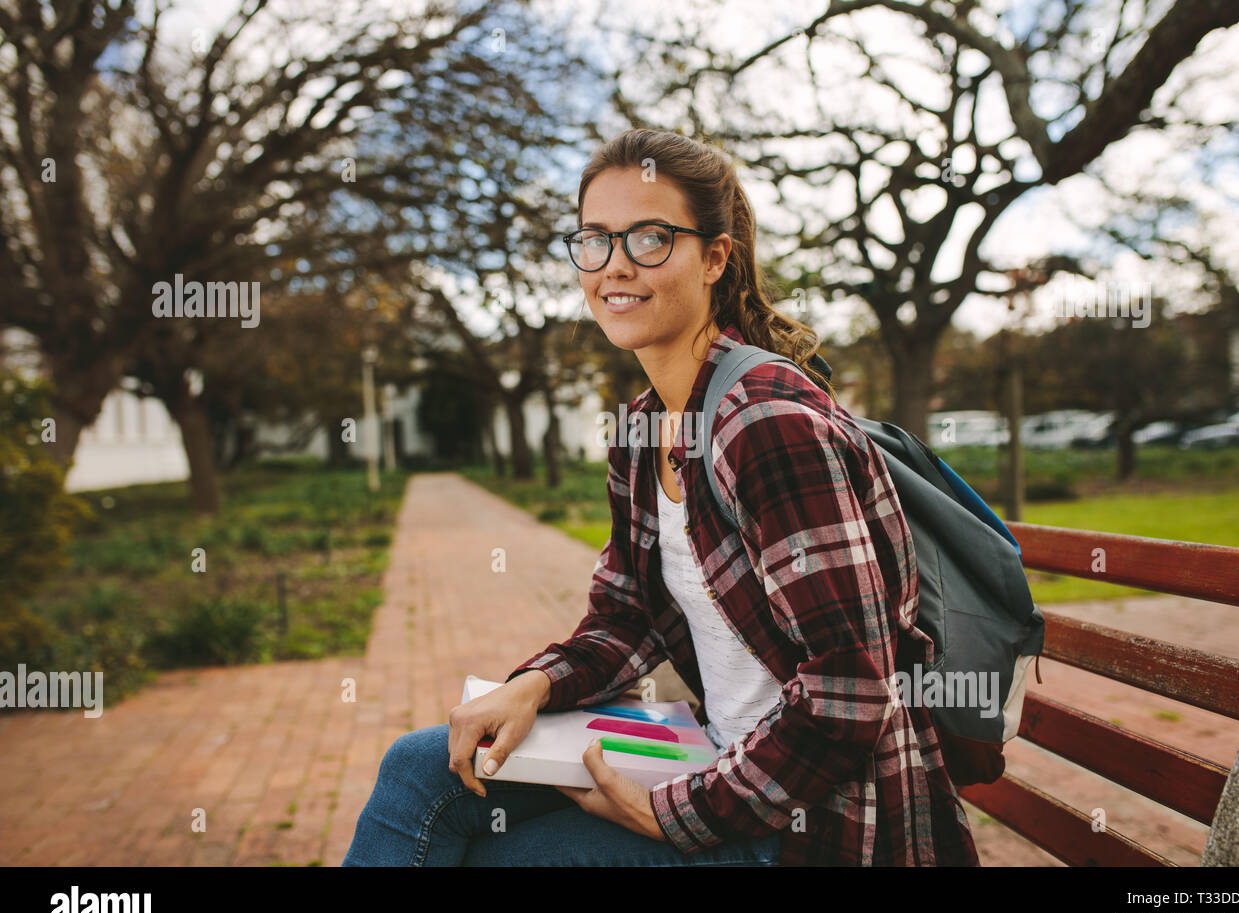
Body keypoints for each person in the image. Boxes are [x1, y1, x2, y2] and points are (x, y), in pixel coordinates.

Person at [342, 128, 979, 867]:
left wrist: (679, 813)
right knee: (419, 770)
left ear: (715, 257)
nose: (615, 266)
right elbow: (629, 614)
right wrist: (536, 685)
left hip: (818, 820)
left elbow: (850, 694)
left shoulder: (765, 424)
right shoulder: (645, 428)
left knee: (504, 859)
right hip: (710, 757)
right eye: (595, 240)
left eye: (649, 238)